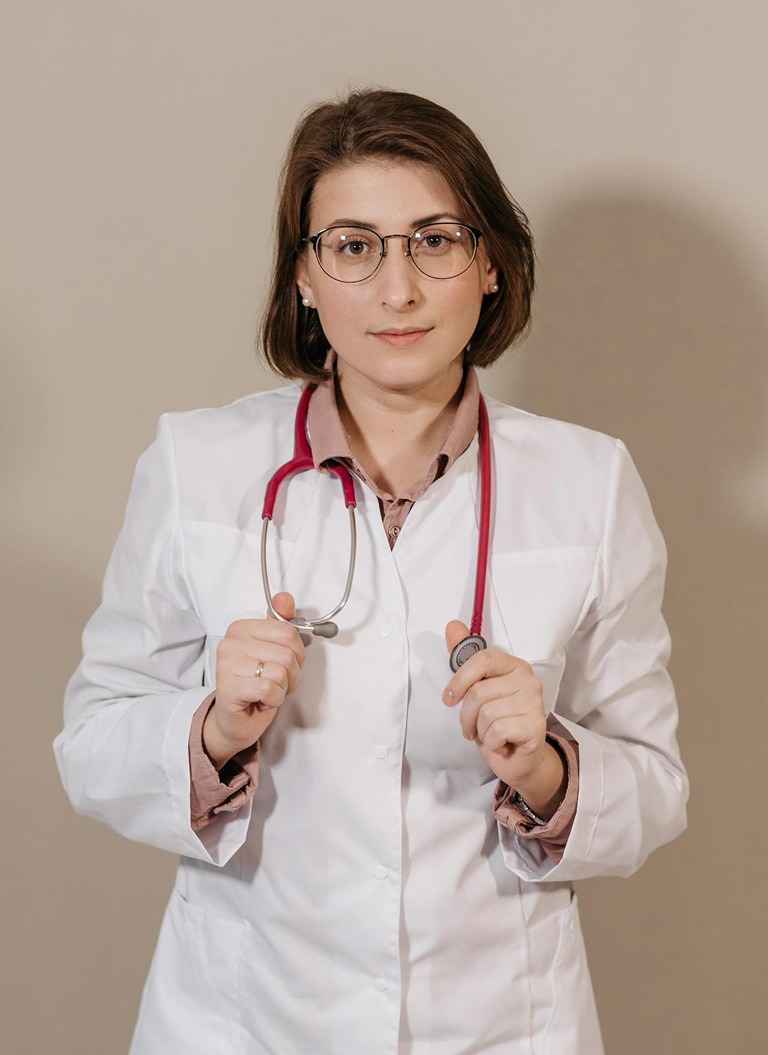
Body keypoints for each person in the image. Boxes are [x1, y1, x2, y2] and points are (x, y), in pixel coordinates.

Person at [54, 88, 688, 1055]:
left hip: (496, 1024)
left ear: (490, 263)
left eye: (436, 240)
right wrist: (213, 731)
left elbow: (655, 784)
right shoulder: (197, 464)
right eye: (354, 246)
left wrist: (549, 769)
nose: (399, 290)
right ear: (304, 278)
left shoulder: (588, 483)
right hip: (244, 1020)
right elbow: (93, 742)